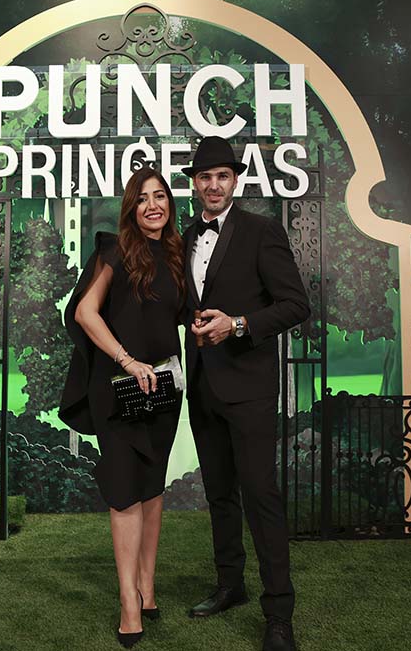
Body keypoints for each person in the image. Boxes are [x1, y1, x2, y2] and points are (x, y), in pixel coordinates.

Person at [181, 136, 310, 651]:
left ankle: (279, 614)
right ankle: (229, 585)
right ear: (194, 184)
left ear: (235, 180)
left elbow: (295, 305)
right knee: (219, 495)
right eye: (205, 177)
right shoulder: (184, 237)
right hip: (202, 387)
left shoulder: (262, 231)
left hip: (250, 389)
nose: (213, 185)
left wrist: (236, 324)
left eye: (222, 176)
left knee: (260, 496)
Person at [60, 166, 185, 649]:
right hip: (117, 388)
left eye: (160, 196)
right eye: (143, 198)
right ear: (132, 208)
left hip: (163, 391)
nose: (153, 205)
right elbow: (84, 312)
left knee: (152, 488)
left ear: (170, 204)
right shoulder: (114, 251)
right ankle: (128, 604)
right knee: (125, 493)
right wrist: (128, 361)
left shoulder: (175, 255)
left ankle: (147, 588)